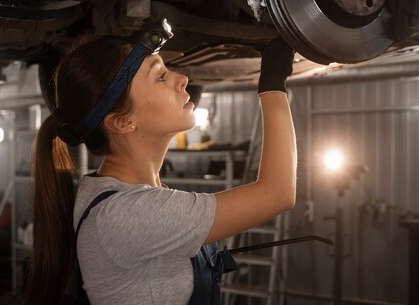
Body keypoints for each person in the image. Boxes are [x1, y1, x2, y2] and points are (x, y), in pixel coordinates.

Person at [24, 18, 297, 305]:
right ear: (122, 122)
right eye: (161, 77)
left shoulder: (122, 198)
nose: (183, 79)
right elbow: (277, 193)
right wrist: (273, 83)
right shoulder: (129, 214)